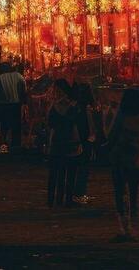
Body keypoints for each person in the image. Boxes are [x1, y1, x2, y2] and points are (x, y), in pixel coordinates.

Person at [104, 88, 139, 240]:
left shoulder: (121, 116)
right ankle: (132, 220)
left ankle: (124, 225)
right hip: (136, 158)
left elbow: (111, 135)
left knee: (120, 191)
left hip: (120, 157)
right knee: (133, 190)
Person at [46, 80, 85, 208]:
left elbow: (51, 123)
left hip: (64, 142)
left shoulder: (61, 106)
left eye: (57, 90)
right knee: (63, 172)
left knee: (62, 172)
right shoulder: (71, 106)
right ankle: (59, 199)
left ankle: (58, 198)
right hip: (66, 142)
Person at [71, 81, 102, 205]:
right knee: (83, 166)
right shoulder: (86, 111)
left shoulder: (74, 107)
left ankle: (73, 192)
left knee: (75, 166)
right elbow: (94, 126)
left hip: (74, 140)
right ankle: (79, 193)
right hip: (85, 139)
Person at [0, 59, 27, 154]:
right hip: (16, 105)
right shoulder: (19, 76)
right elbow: (24, 90)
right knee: (16, 125)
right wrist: (23, 102)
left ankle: (3, 147)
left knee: (4, 126)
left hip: (3, 105)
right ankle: (16, 145)